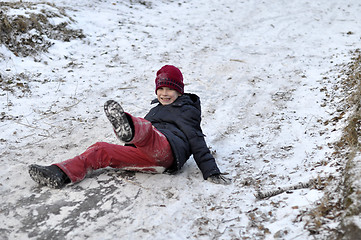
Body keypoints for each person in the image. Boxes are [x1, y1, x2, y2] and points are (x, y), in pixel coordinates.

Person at [28, 65, 231, 188]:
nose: (165, 93)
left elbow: (196, 140)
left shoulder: (187, 109)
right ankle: (60, 174)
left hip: (168, 151)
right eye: (161, 88)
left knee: (148, 131)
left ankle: (129, 125)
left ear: (179, 91)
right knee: (101, 149)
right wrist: (127, 151)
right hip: (148, 158)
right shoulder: (155, 110)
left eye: (170, 89)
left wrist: (211, 171)